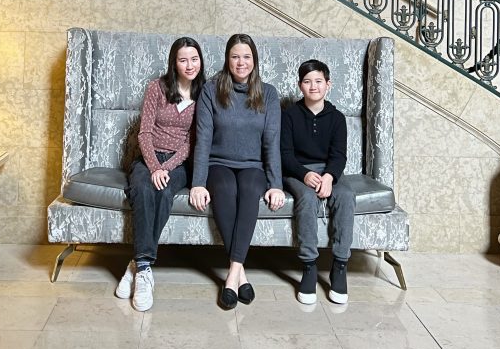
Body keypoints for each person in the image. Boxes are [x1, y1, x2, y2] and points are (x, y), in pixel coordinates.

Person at [189, 33, 285, 309]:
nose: (240, 62)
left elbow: (271, 141)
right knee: (224, 189)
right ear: (227, 60)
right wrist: (198, 183)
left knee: (252, 189)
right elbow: (203, 137)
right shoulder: (210, 89)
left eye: (246, 56)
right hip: (218, 164)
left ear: (254, 61)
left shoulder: (268, 93)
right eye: (235, 56)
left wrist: (275, 184)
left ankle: (232, 273)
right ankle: (239, 274)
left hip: (252, 166)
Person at [115, 37, 205, 311]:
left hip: (179, 163)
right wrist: (154, 166)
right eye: (183, 60)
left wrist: (167, 168)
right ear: (174, 63)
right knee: (143, 189)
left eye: (194, 59)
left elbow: (193, 141)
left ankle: (136, 264)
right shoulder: (157, 88)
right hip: (148, 158)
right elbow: (144, 132)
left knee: (164, 192)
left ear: (200, 61)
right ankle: (144, 269)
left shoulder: (206, 93)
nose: (189, 65)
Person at [281, 59, 353, 305]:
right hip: (298, 172)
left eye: (318, 81)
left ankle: (340, 266)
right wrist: (304, 175)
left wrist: (330, 177)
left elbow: (339, 155)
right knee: (307, 197)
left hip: (328, 171)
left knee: (345, 196)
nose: (313, 86)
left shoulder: (337, 118)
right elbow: (285, 155)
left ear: (328, 84)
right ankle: (309, 266)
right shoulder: (289, 115)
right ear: (300, 85)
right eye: (307, 81)